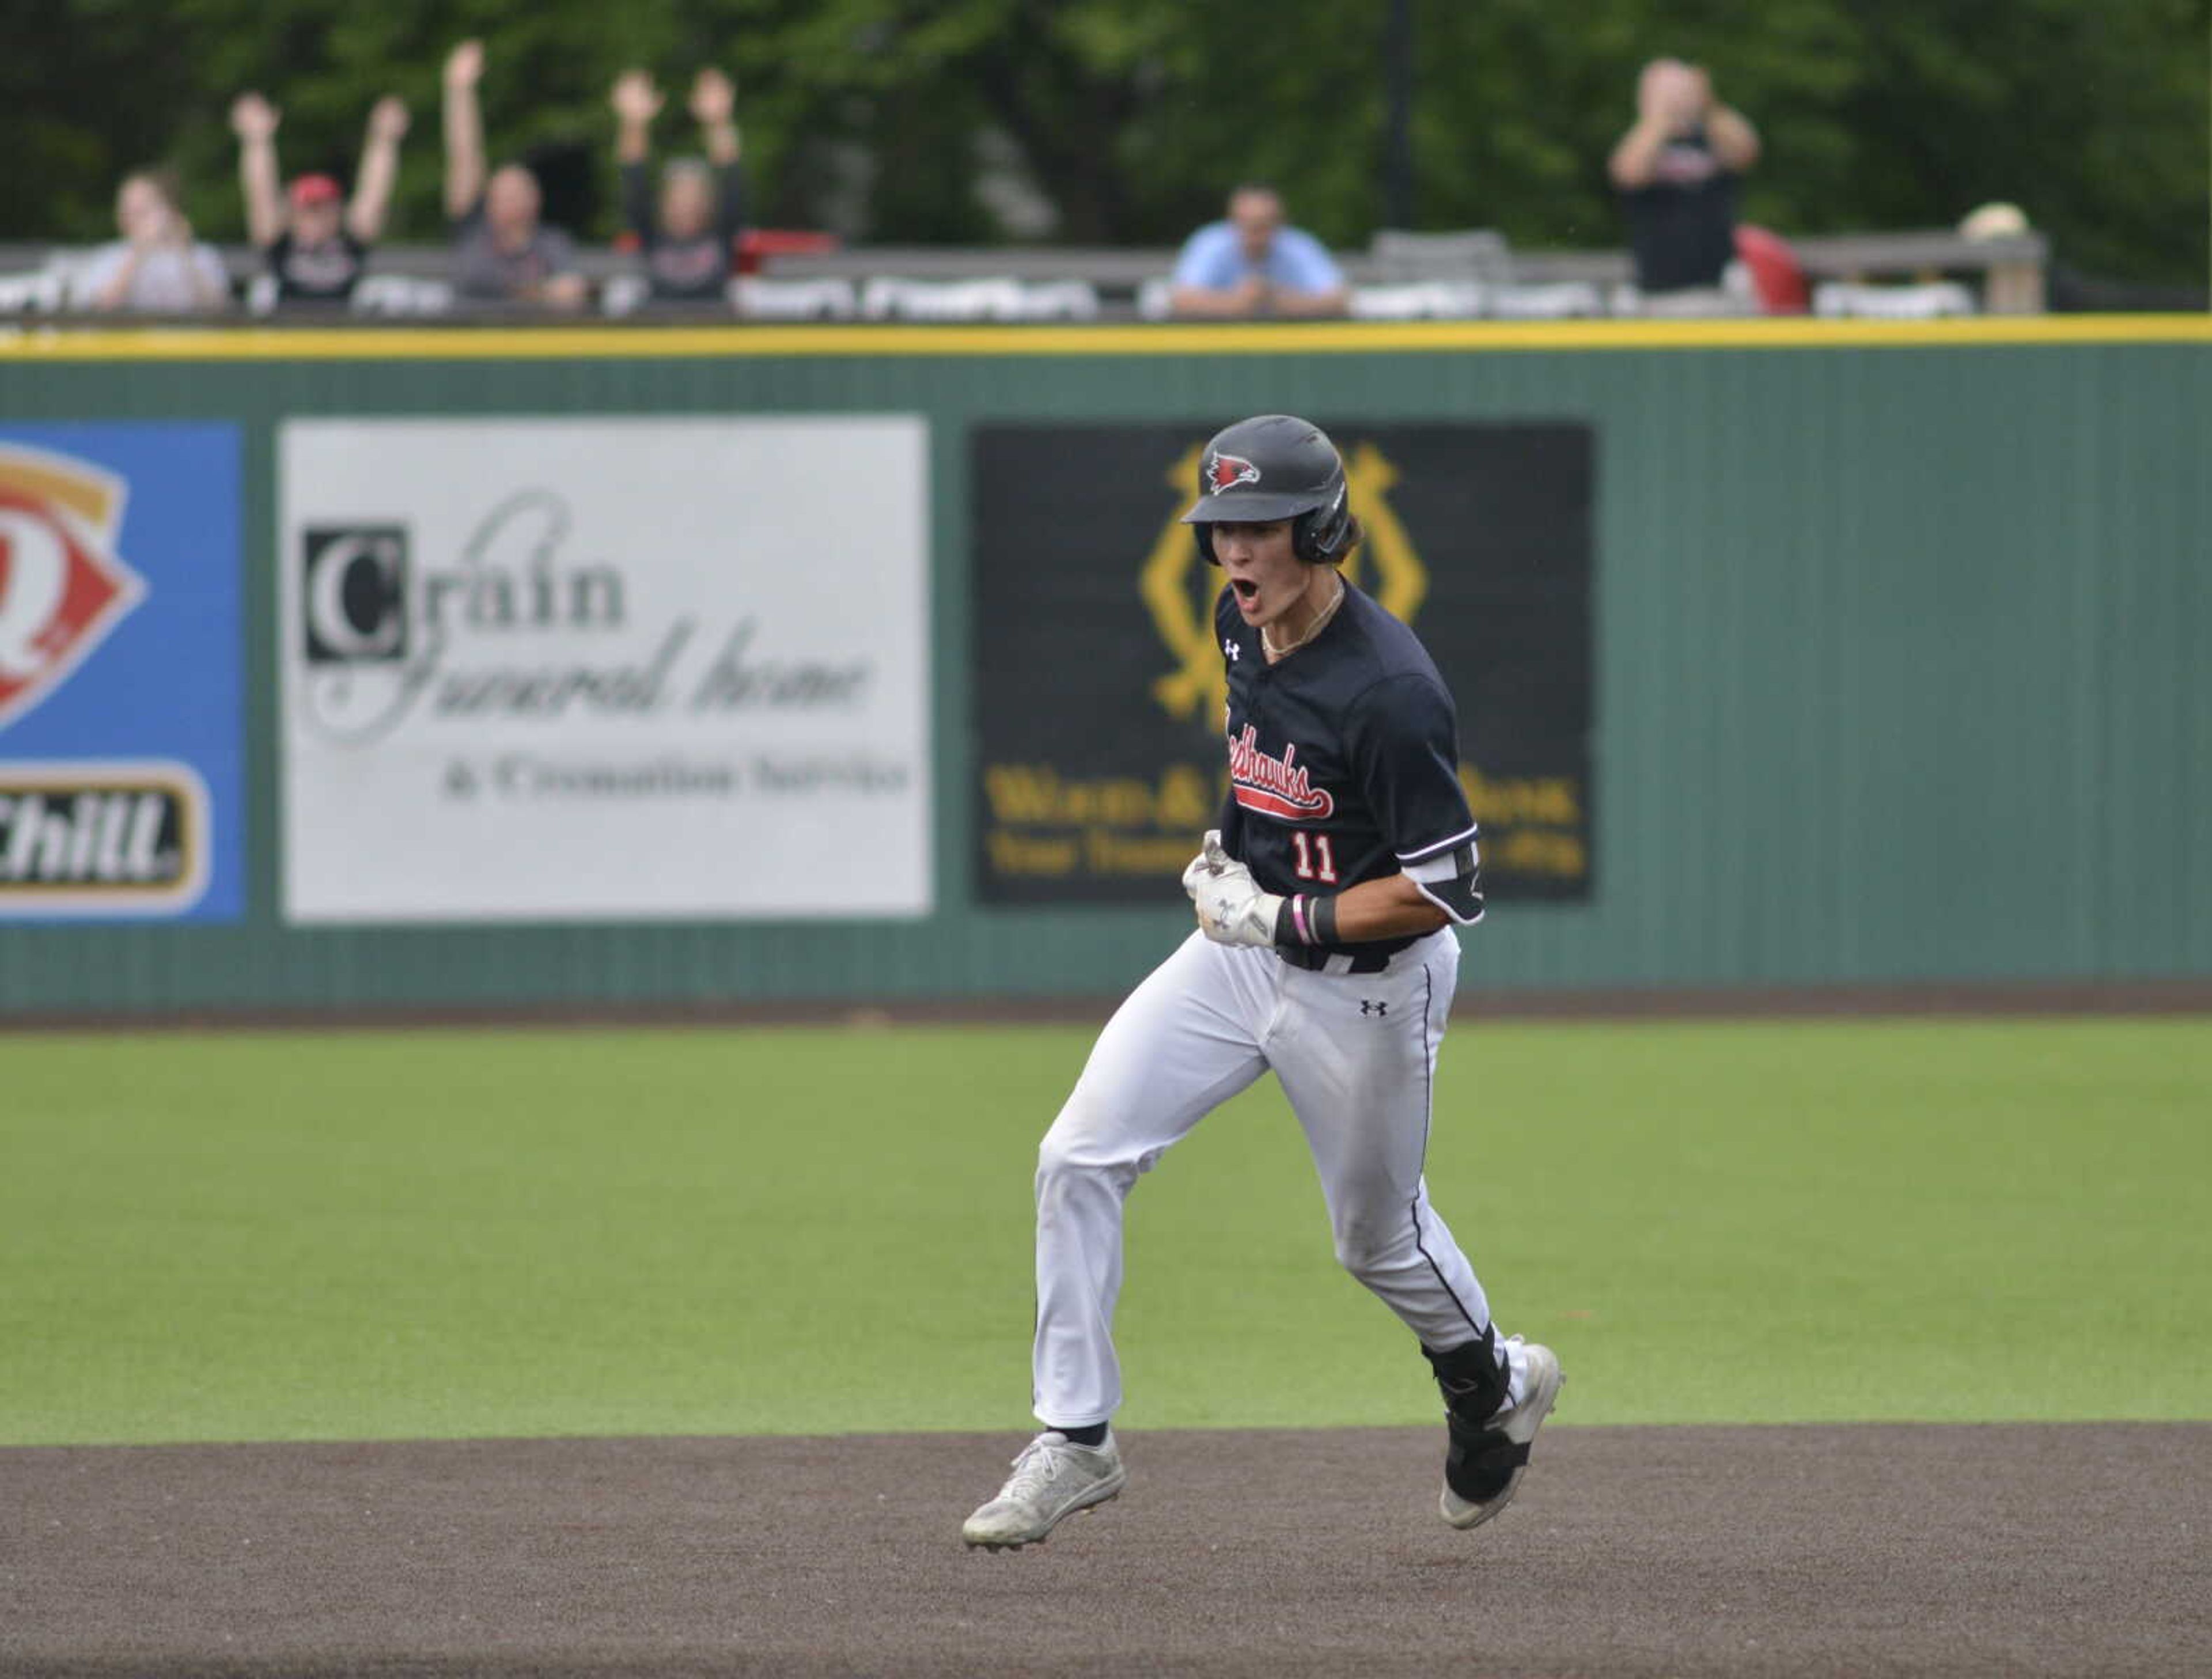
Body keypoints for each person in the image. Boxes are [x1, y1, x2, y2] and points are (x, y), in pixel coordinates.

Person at [961, 415, 1562, 1552]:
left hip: (1371, 989)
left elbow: (1445, 889)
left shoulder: (1390, 688)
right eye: (1220, 527)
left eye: (1260, 527)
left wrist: (1282, 908)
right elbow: (1259, 762)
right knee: (1076, 1155)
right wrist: (1230, 847)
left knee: (1377, 1241)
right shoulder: (1244, 632)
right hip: (1240, 959)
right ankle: (1076, 1437)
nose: (1235, 552)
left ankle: (1491, 1381)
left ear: (1322, 530)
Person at [441, 39, 588, 310]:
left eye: (519, 193)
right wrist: (460, 91)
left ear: (536, 199)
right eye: (504, 195)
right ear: (490, 201)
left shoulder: (552, 244)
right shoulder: (472, 233)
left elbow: (572, 291)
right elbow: (465, 157)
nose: (512, 201)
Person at [1607, 58, 1760, 311]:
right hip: (1659, 295)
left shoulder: (1714, 137)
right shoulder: (1640, 142)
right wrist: (1661, 118)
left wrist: (1708, 105)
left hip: (1720, 290)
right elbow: (1628, 172)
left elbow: (1746, 151)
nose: (1678, 100)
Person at [230, 90, 407, 306]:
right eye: (310, 210)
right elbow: (260, 195)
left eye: (324, 209)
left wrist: (384, 140)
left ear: (337, 212)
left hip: (341, 336)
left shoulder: (348, 244)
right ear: (293, 214)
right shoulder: (282, 246)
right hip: (292, 336)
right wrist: (257, 142)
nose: (317, 218)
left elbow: (374, 197)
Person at [611, 67, 747, 304]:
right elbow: (634, 179)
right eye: (679, 195)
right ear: (665, 201)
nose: (686, 203)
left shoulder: (721, 235)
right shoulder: (652, 235)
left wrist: (719, 123)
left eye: (694, 194)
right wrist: (633, 123)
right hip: (659, 330)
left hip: (716, 329)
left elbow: (732, 180)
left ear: (706, 201)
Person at [1169, 185, 1349, 319]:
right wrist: (1236, 303)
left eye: (1263, 226)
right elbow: (1181, 300)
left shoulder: (1300, 246)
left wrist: (1278, 300)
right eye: (1248, 225)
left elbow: (1339, 300)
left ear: (1280, 223)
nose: (1256, 235)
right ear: (1232, 222)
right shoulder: (1210, 243)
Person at [72, 172, 232, 314]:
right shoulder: (109, 257)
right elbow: (101, 309)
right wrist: (138, 253)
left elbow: (217, 308)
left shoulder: (201, 256)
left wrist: (185, 252)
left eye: (143, 210)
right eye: (128, 210)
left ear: (170, 209)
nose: (132, 217)